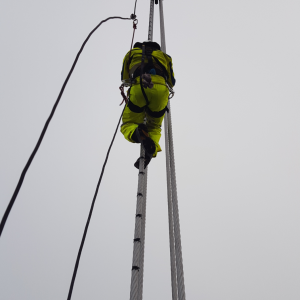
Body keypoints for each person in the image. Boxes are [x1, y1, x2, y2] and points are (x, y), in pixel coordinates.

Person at [120, 41, 176, 169]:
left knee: (128, 124)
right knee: (155, 127)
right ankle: (150, 151)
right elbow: (172, 82)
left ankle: (137, 132)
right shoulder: (165, 57)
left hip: (139, 87)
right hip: (160, 91)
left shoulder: (131, 53)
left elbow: (125, 78)